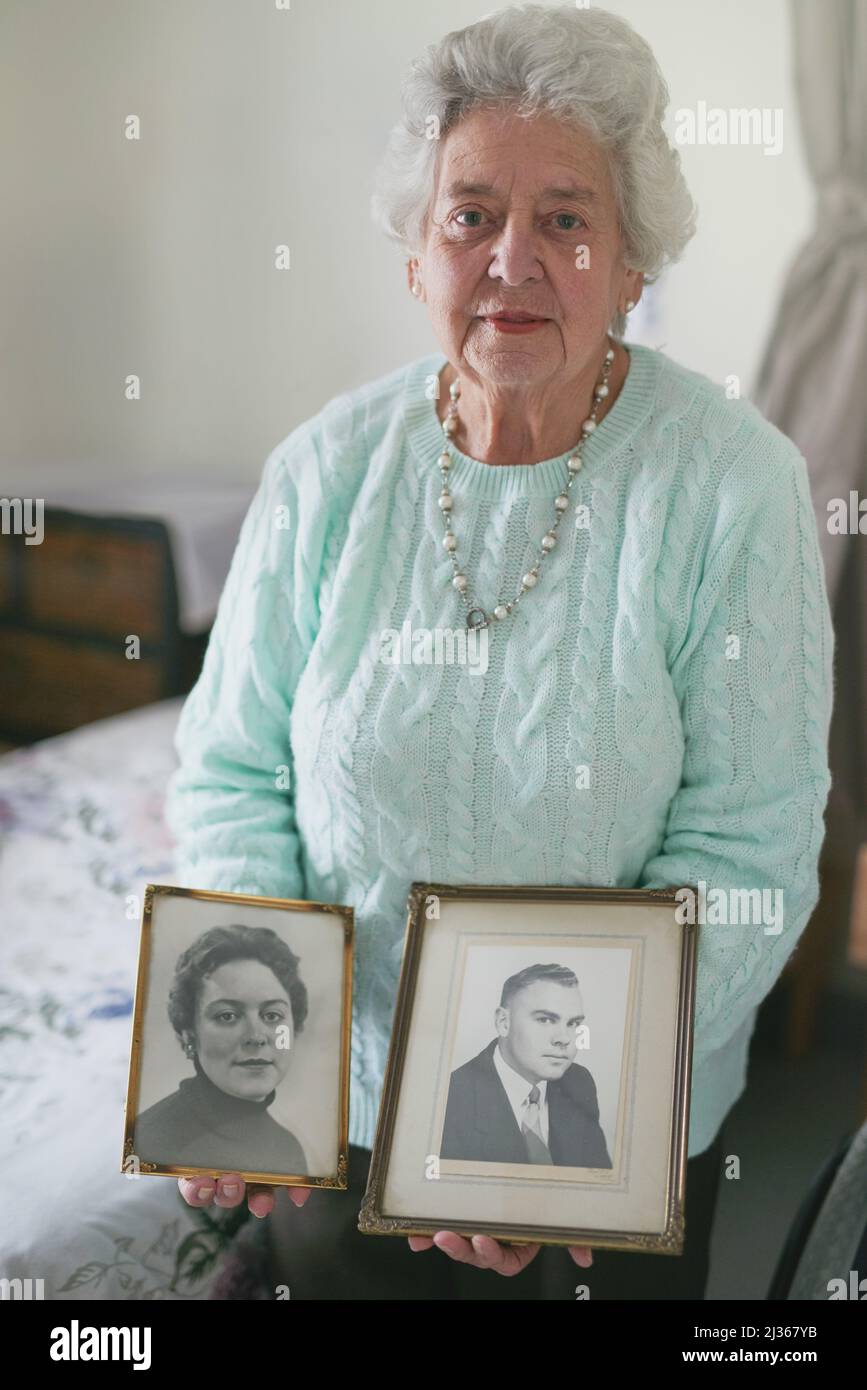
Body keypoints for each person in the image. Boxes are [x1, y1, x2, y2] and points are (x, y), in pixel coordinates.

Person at [165, 4, 833, 1298]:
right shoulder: (323, 472)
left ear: (632, 261)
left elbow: (749, 849)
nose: (511, 259)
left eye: (565, 219)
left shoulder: (730, 485)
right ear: (415, 253)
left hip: (606, 1141)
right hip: (344, 1121)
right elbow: (230, 770)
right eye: (470, 214)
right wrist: (259, 1065)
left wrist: (543, 1130)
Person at [134, 924, 308, 1175]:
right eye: (227, 1016)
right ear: (188, 1036)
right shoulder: (150, 1142)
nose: (256, 1037)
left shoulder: (287, 1147)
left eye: (272, 1015)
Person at [440, 963, 612, 1168]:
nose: (564, 1038)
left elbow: (597, 1183)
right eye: (546, 1020)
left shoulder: (578, 1082)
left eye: (573, 1023)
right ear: (504, 1022)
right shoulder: (450, 1099)